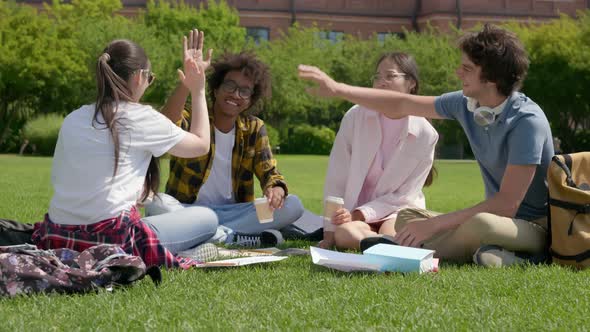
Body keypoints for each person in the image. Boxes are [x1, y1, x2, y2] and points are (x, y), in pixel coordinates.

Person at [299, 24, 554, 267]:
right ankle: (490, 254)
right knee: (407, 217)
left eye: (466, 68)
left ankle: (403, 250)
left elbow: (506, 204)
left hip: (532, 225)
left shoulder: (526, 122)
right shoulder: (466, 105)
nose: (458, 73)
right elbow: (400, 104)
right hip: (495, 220)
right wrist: (338, 89)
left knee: (481, 225)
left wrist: (435, 225)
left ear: (490, 78)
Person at [32, 33, 216, 268]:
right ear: (140, 77)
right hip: (112, 240)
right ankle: (193, 250)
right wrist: (198, 89)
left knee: (159, 204)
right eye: (150, 78)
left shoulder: (73, 118)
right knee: (208, 219)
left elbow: (65, 179)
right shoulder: (139, 116)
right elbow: (201, 144)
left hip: (57, 237)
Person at [145, 31, 303, 247]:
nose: (236, 94)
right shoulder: (195, 117)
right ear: (216, 88)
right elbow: (166, 125)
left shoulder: (254, 128)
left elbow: (270, 173)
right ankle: (234, 237)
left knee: (294, 205)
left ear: (250, 99)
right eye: (230, 86)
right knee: (157, 203)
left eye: (244, 91)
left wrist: (276, 189)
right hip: (188, 211)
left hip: (235, 212)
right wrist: (189, 82)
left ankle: (211, 234)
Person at [320, 52, 438, 250]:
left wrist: (361, 214)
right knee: (345, 234)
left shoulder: (426, 134)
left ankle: (386, 244)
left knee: (391, 232)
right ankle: (389, 249)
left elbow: (405, 196)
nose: (381, 82)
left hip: (398, 210)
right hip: (354, 213)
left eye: (390, 76)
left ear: (411, 84)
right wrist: (329, 234)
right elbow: (336, 177)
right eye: (377, 77)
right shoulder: (355, 116)